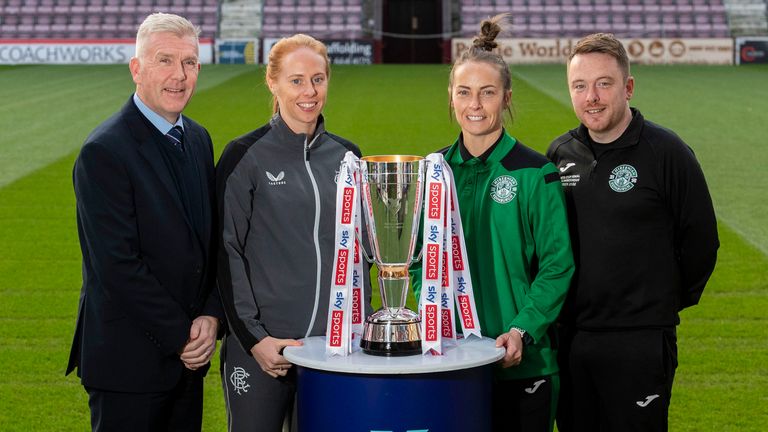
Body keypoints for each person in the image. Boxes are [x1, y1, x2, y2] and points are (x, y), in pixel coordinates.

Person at [547, 33, 719, 432]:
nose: (591, 96)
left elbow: (701, 242)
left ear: (628, 87)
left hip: (639, 341)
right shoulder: (559, 154)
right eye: (580, 86)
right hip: (572, 339)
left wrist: (659, 303)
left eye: (604, 84)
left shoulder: (667, 152)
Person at [411, 14, 574, 432]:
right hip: (451, 359)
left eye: (487, 93)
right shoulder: (433, 172)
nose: (475, 105)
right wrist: (432, 312)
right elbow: (414, 259)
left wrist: (523, 329)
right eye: (464, 92)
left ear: (506, 97)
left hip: (524, 364)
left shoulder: (535, 173)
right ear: (451, 97)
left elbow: (558, 265)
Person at [66, 12, 223, 431]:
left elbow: (210, 243)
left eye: (189, 62)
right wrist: (183, 337)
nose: (179, 75)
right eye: (165, 60)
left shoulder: (198, 139)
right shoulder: (105, 151)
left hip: (188, 363)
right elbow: (117, 266)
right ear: (137, 69)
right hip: (128, 363)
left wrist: (211, 315)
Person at [216, 33, 372, 432]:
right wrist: (254, 339)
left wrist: (360, 329)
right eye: (297, 80)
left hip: (331, 351)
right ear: (273, 82)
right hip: (266, 349)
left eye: (318, 79)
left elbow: (363, 253)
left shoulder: (348, 157)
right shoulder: (244, 155)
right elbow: (224, 251)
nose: (310, 91)